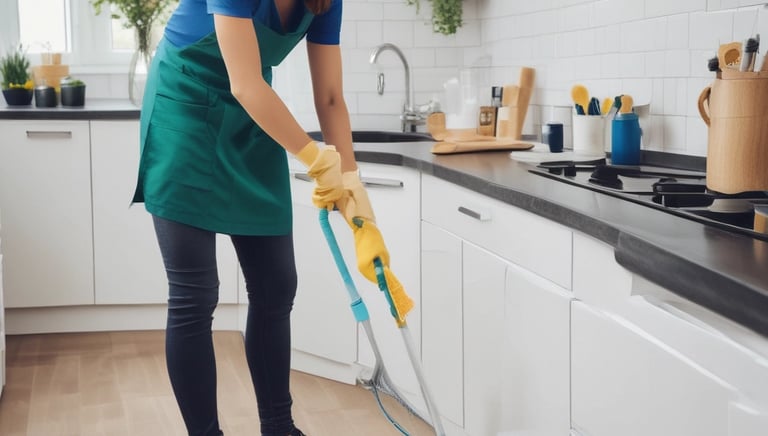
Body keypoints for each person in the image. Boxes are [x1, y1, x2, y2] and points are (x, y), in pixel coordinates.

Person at [131, 0, 384, 435]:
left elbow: (329, 97)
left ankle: (278, 428)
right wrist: (316, 161)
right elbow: (245, 82)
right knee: (195, 294)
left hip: (251, 119)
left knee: (276, 285)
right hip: (185, 108)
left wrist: (351, 183)